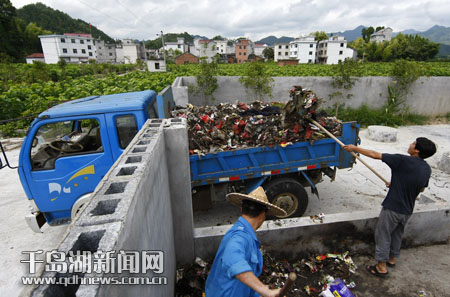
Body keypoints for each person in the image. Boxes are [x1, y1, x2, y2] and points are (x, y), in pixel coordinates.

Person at [343, 137, 436, 278]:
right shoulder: (426, 169)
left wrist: (354, 148)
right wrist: (397, 183)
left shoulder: (402, 160)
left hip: (393, 207)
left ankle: (381, 267)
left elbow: (375, 155)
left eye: (413, 143)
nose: (410, 144)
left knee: (383, 234)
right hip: (407, 210)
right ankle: (392, 259)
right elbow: (421, 189)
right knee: (397, 234)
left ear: (417, 150)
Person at [205, 186, 287, 297]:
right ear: (263, 216)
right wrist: (265, 291)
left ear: (241, 209)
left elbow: (244, 284)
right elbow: (234, 261)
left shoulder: (246, 236)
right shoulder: (239, 237)